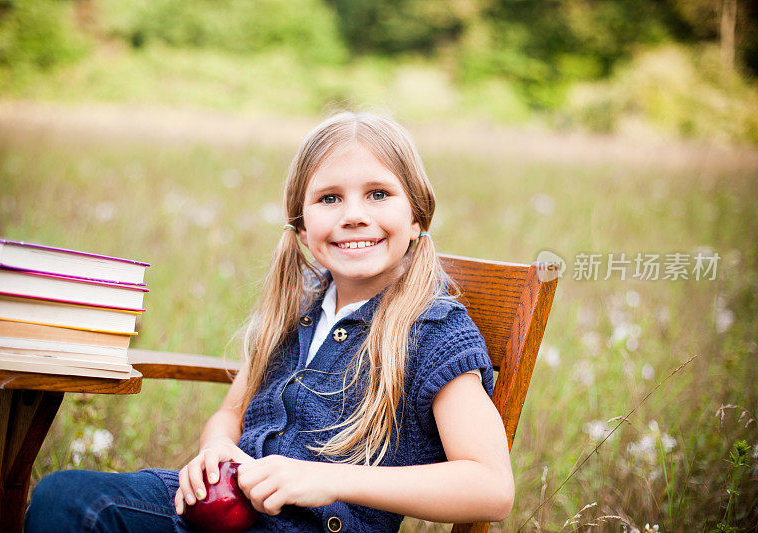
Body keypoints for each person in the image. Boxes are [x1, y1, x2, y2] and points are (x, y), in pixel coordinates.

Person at [25, 111, 514, 532]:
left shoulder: (434, 332)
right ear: (301, 227)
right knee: (66, 499)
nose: (354, 216)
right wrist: (216, 450)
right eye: (329, 199)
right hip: (219, 514)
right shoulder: (295, 310)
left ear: (417, 217)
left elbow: (491, 486)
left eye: (379, 193)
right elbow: (230, 415)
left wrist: (331, 479)